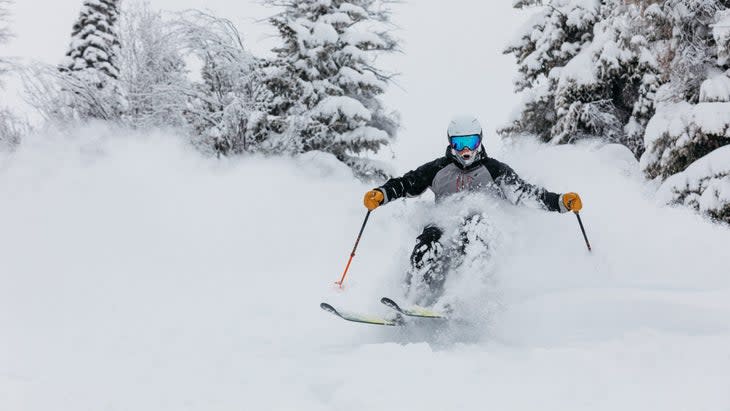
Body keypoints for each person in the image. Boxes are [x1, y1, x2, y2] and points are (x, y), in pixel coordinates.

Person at [362, 115, 583, 302]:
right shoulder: (438, 168)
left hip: (481, 225)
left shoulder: (495, 169)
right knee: (426, 243)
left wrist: (561, 201)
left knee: (475, 228)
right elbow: (406, 183)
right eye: (459, 143)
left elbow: (525, 195)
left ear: (480, 142)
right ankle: (413, 299)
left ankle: (464, 298)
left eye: (471, 142)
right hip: (444, 222)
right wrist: (382, 194)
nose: (466, 149)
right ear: (451, 144)